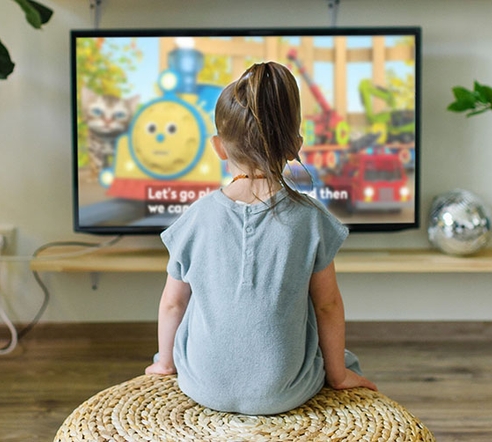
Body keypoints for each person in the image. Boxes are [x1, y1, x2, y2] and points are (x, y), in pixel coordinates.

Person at [145, 61, 377, 415]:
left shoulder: (194, 218)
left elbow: (172, 304)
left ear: (219, 147)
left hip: (202, 385)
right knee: (337, 351)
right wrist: (339, 375)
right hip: (284, 392)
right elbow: (327, 306)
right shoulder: (311, 220)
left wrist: (164, 365)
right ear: (294, 146)